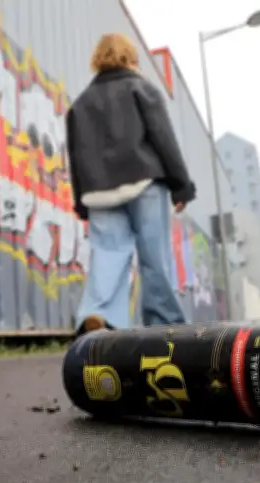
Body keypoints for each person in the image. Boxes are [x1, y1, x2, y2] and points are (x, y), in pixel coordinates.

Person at [65, 32, 197, 337]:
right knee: (154, 258)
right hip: (144, 183)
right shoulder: (142, 89)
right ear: (131, 59)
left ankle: (99, 316)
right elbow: (163, 138)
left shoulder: (81, 104)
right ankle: (163, 325)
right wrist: (181, 185)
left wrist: (81, 201)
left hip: (99, 192)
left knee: (108, 256)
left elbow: (75, 154)